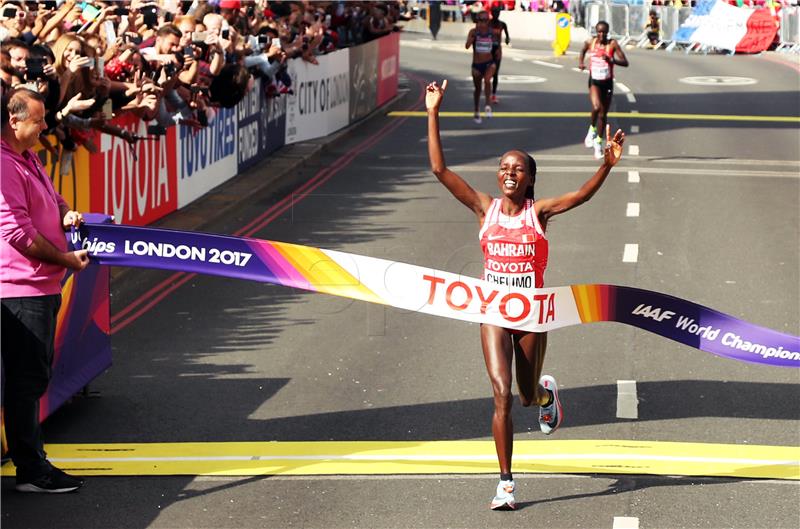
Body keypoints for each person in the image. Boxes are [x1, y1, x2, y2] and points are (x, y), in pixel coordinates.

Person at [426, 79, 625, 510]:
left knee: (524, 393)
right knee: (500, 394)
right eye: (503, 168)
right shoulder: (484, 207)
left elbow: (579, 196)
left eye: (517, 169)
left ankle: (545, 396)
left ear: (530, 178)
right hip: (493, 311)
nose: (509, 173)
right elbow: (441, 172)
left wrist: (606, 166)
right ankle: (506, 484)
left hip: (533, 314)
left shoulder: (540, 213)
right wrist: (433, 112)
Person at [1, 87, 90, 493]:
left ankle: (30, 461)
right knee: (27, 380)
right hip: (20, 290)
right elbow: (18, 234)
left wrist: (65, 211)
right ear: (14, 120)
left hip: (39, 286)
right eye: (38, 121)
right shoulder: (4, 165)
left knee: (31, 378)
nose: (43, 128)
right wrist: (66, 260)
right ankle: (31, 470)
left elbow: (54, 199)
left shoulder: (27, 156)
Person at [579, 21, 628, 159]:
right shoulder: (590, 42)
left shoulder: (612, 44)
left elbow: (625, 62)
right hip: (594, 81)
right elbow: (582, 51)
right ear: (596, 32)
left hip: (607, 83)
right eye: (599, 32)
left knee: (603, 115)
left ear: (608, 32)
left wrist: (611, 60)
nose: (602, 35)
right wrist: (581, 63)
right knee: (596, 107)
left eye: (604, 32)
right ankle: (591, 129)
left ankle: (598, 143)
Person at [465, 10, 495, 124]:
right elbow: (467, 46)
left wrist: (498, 56)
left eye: (486, 20)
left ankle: (488, 105)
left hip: (489, 63)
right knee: (477, 89)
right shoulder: (473, 32)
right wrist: (472, 38)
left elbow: (497, 47)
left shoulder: (491, 32)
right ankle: (476, 110)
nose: (483, 23)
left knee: (487, 80)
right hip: (477, 65)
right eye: (481, 20)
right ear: (477, 21)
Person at [489, 6, 510, 104]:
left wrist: (507, 40)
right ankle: (487, 92)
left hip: (497, 51)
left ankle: (493, 94)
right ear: (491, 13)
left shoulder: (502, 24)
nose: (496, 15)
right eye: (494, 13)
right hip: (487, 51)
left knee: (495, 74)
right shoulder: (488, 23)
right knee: (487, 73)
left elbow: (507, 37)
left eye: (497, 13)